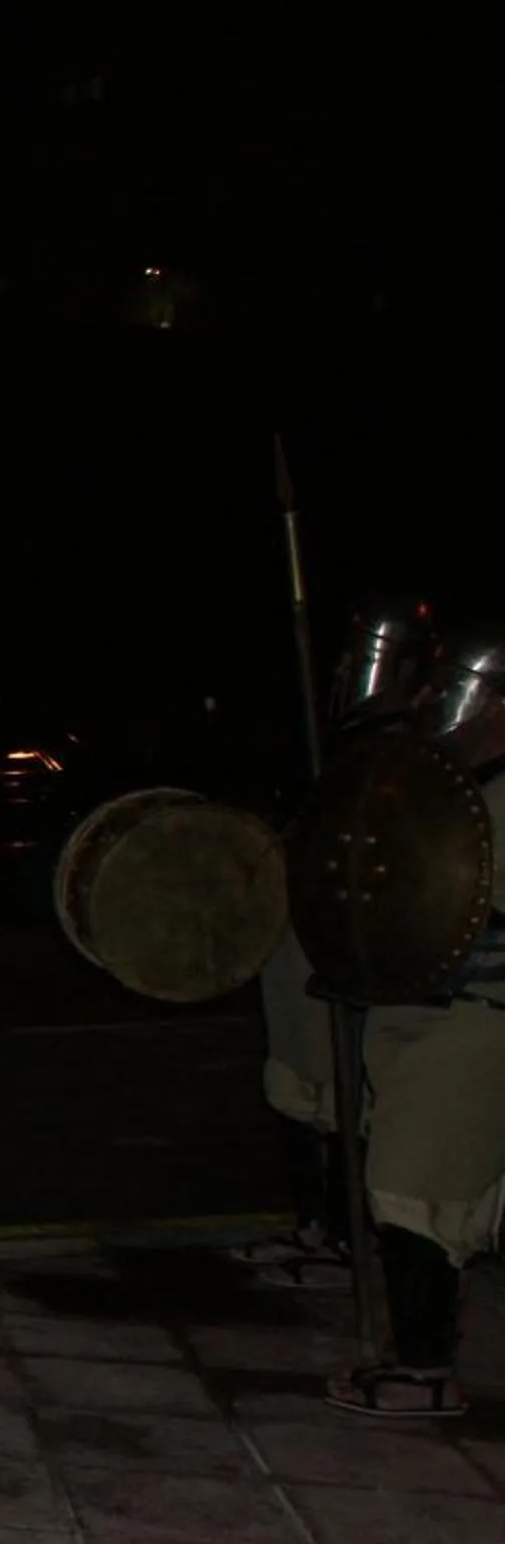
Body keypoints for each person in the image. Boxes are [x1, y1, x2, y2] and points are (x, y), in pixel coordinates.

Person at [230, 598, 436, 1287]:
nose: (351, 669)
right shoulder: (329, 735)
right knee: (299, 1083)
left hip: (359, 938)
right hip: (304, 931)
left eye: (365, 656)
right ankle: (316, 1228)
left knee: (355, 1097)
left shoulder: (418, 747)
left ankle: (352, 1241)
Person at [328, 635, 505, 1419]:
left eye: (458, 690)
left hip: (479, 1014)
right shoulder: (435, 784)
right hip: (415, 1004)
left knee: (416, 1187)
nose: (439, 705)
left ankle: (429, 1371)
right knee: (415, 1184)